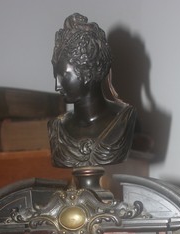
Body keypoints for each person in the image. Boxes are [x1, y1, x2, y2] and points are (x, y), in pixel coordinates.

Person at [49, 13, 136, 168]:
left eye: (64, 76)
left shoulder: (123, 120)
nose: (57, 86)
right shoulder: (57, 127)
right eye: (56, 77)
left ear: (87, 73)